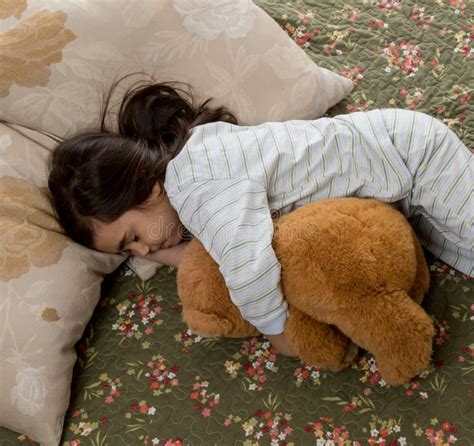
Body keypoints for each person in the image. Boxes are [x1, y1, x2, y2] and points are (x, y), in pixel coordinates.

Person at [48, 79, 473, 357]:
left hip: (412, 156)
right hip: (398, 185)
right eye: (129, 251)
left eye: (134, 237)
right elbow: (208, 248)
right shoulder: (192, 165)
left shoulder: (195, 187)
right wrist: (158, 246)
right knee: (460, 252)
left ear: (147, 187)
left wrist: (278, 332)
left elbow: (246, 264)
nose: (144, 251)